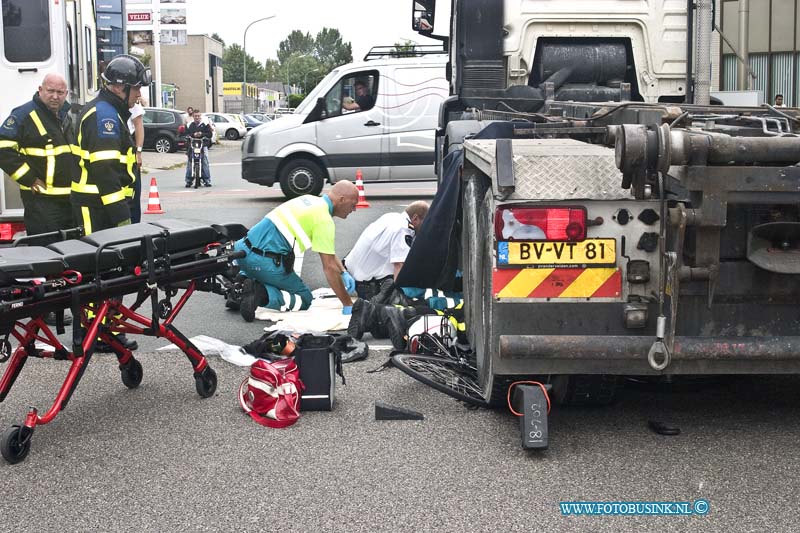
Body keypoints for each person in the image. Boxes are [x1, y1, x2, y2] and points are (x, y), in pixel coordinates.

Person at [235, 180, 360, 322]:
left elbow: (328, 253)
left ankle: (240, 285)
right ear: (342, 200)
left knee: (262, 266)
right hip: (264, 263)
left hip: (242, 252)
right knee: (304, 298)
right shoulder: (324, 220)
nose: (354, 209)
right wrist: (347, 303)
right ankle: (260, 294)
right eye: (353, 204)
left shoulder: (309, 200)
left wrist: (343, 272)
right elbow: (329, 267)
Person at [71, 54, 150, 234]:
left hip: (101, 205)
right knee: (97, 260)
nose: (139, 94)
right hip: (98, 209)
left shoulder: (110, 111)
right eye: (136, 88)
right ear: (118, 87)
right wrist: (121, 216)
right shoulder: (104, 116)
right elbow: (105, 170)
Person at [0, 73, 77, 235]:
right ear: (40, 90)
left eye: (60, 92)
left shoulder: (65, 116)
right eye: (50, 91)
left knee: (69, 252)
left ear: (66, 94)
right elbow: (3, 149)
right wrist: (29, 178)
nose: (55, 96)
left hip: (68, 200)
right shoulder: (23, 115)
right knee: (46, 252)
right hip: (41, 202)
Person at [343, 201, 429, 301]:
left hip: (353, 273)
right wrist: (402, 297)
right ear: (415, 218)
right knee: (403, 306)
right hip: (367, 284)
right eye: (426, 223)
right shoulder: (403, 229)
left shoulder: (391, 216)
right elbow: (400, 265)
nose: (426, 228)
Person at [127, 97, 145, 222]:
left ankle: (134, 225)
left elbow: (139, 126)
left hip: (129, 152)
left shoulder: (131, 104)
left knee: (133, 194)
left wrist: (138, 152)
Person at [184, 111, 212, 187]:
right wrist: (193, 135)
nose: (197, 117)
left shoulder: (205, 124)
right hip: (192, 146)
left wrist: (202, 134)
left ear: (200, 116)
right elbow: (185, 134)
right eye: (195, 116)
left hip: (203, 146)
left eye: (198, 116)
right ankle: (188, 181)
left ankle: (207, 180)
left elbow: (210, 134)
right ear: (193, 116)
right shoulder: (189, 125)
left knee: (205, 162)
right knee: (190, 162)